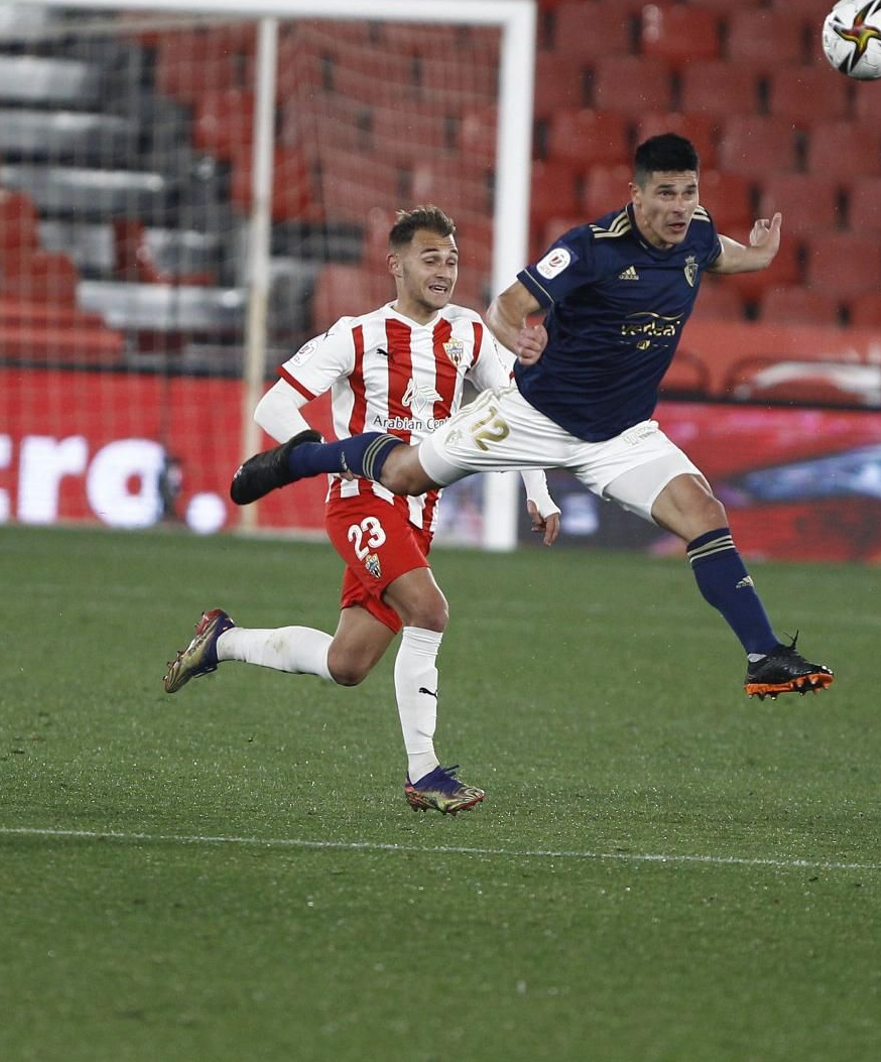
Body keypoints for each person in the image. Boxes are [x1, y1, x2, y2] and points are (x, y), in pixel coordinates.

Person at [231, 134, 832, 701]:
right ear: (638, 194)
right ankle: (298, 459)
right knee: (404, 475)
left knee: (704, 512)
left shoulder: (695, 234)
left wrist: (758, 255)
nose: (680, 207)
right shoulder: (589, 249)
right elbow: (506, 307)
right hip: (535, 415)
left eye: (690, 192)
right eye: (666, 194)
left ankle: (764, 656)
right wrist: (520, 337)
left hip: (621, 435)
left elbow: (715, 254)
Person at [165, 206, 561, 816]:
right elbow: (274, 407)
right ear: (394, 264)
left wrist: (538, 490)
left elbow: (514, 411)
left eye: (452, 260)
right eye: (430, 259)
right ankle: (425, 774)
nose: (444, 271)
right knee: (430, 610)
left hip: (419, 512)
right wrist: (332, 458)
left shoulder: (471, 333)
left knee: (346, 664)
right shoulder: (358, 333)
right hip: (361, 502)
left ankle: (223, 641)